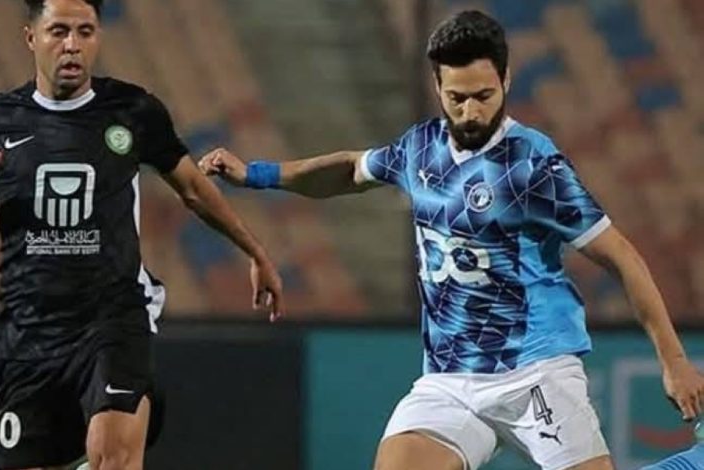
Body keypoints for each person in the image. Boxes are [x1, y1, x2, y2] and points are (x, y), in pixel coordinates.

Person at [200, 9, 704, 470]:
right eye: (456, 98)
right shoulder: (419, 148)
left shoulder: (533, 165)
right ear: (438, 86)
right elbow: (351, 170)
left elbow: (622, 257)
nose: (470, 113)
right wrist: (257, 174)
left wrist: (674, 362)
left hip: (535, 370)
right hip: (449, 381)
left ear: (506, 81)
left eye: (483, 96)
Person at [0, 0, 284, 469]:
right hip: (31, 332)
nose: (72, 45)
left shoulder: (132, 110)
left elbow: (193, 189)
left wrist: (255, 251)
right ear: (30, 37)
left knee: (115, 459)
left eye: (85, 32)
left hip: (111, 319)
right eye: (59, 31)